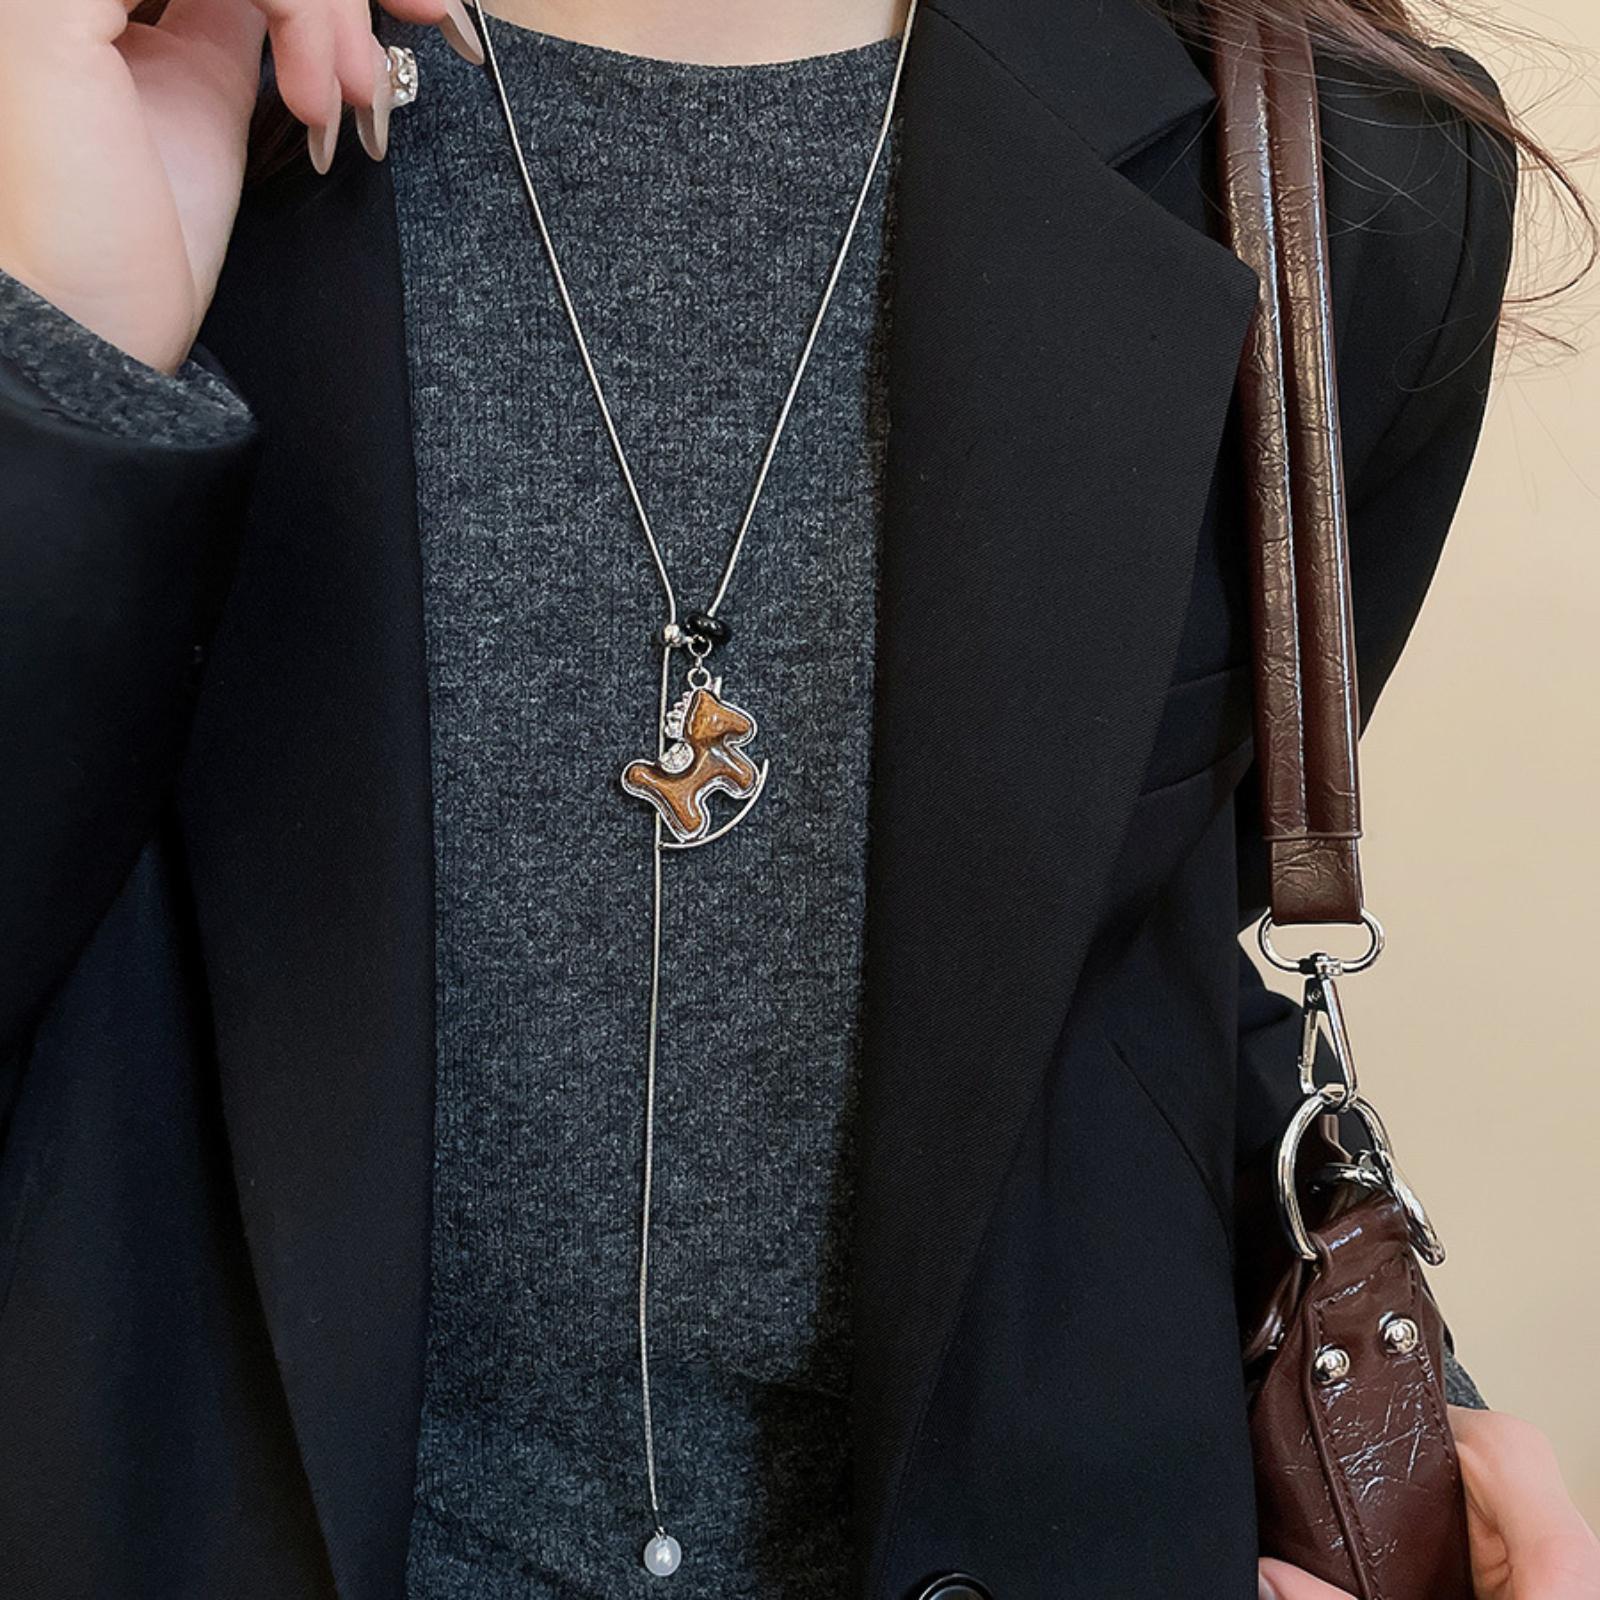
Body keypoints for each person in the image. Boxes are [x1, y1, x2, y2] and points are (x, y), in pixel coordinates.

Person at [0, 0, 1595, 1596]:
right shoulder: (82, 93)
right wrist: (53, 392)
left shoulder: (1333, 180)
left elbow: (1122, 973)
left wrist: (1390, 1453)